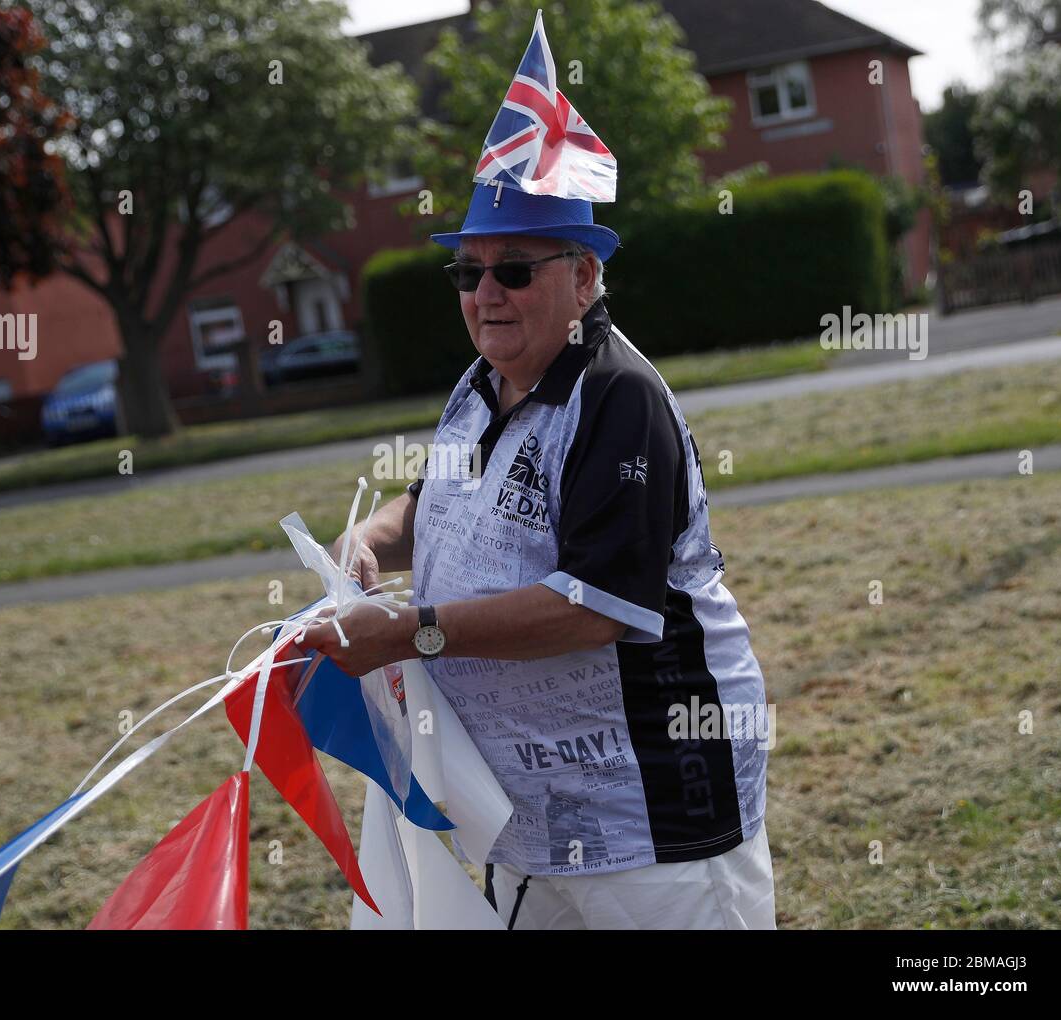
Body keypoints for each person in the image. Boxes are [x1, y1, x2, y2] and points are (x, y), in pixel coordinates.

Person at [296, 12, 773, 930]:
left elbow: (591, 609)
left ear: (585, 277)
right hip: (523, 817)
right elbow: (435, 506)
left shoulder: (617, 399)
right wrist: (364, 541)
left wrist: (402, 631)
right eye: (466, 274)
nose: (484, 295)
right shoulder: (480, 386)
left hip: (653, 816)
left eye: (513, 269)